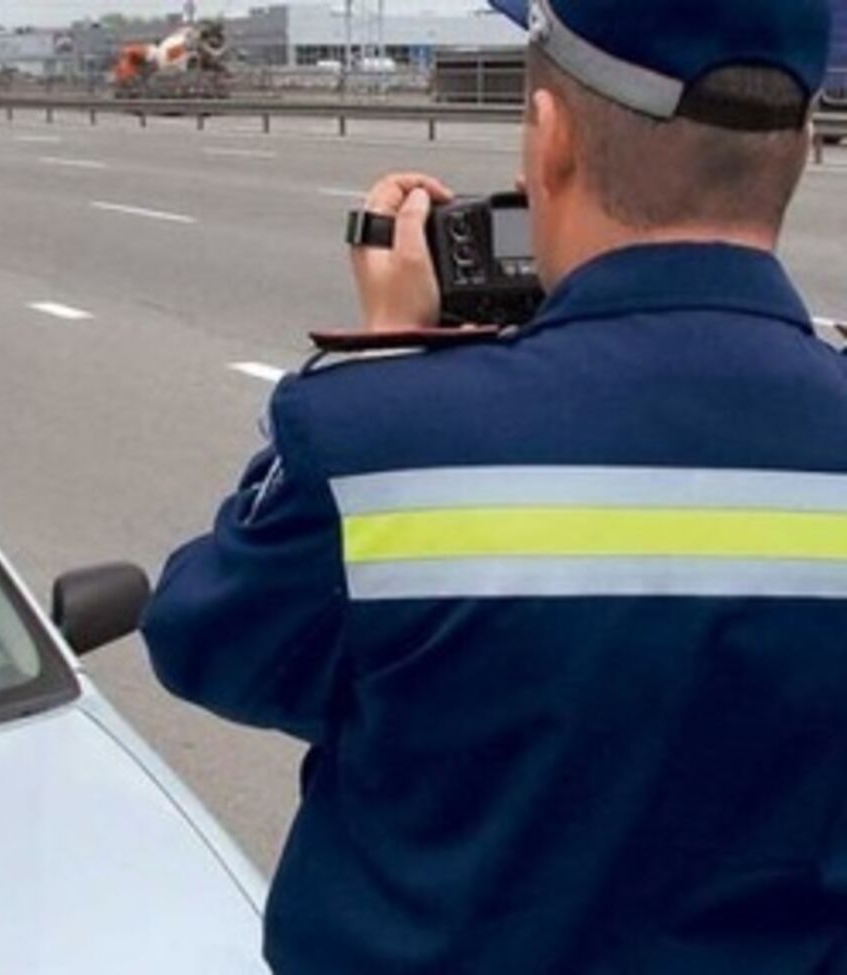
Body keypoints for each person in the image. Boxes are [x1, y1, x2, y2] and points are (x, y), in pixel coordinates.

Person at [141, 0, 847, 972]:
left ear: (549, 141)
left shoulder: (381, 439)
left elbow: (202, 641)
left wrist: (392, 357)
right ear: (802, 146)